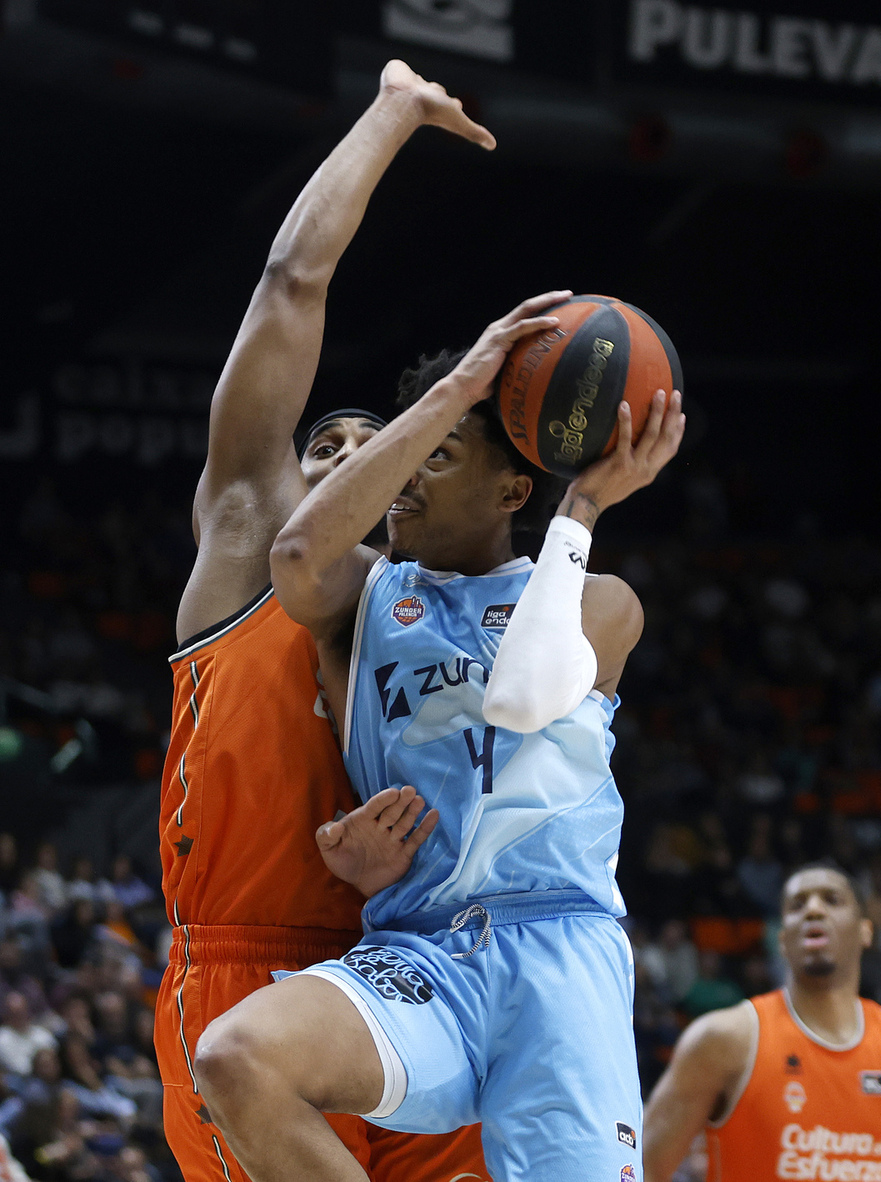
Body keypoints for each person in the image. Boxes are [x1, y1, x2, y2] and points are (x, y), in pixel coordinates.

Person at [189, 257, 686, 1180]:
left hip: (558, 952)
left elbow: (521, 698)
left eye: (440, 456)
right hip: (421, 951)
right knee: (236, 1057)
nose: (405, 477)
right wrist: (460, 384)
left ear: (510, 493)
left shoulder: (602, 600)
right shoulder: (366, 596)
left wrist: (581, 502)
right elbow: (296, 546)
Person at [154, 58, 495, 1182]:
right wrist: (391, 114)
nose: (351, 457)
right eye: (323, 448)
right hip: (250, 977)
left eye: (376, 446)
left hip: (413, 978)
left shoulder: (436, 615)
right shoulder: (250, 545)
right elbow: (290, 282)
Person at [643, 863, 881, 1182]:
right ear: (782, 939)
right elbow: (638, 1167)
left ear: (866, 931)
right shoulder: (724, 1039)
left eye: (832, 900)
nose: (813, 910)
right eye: (797, 905)